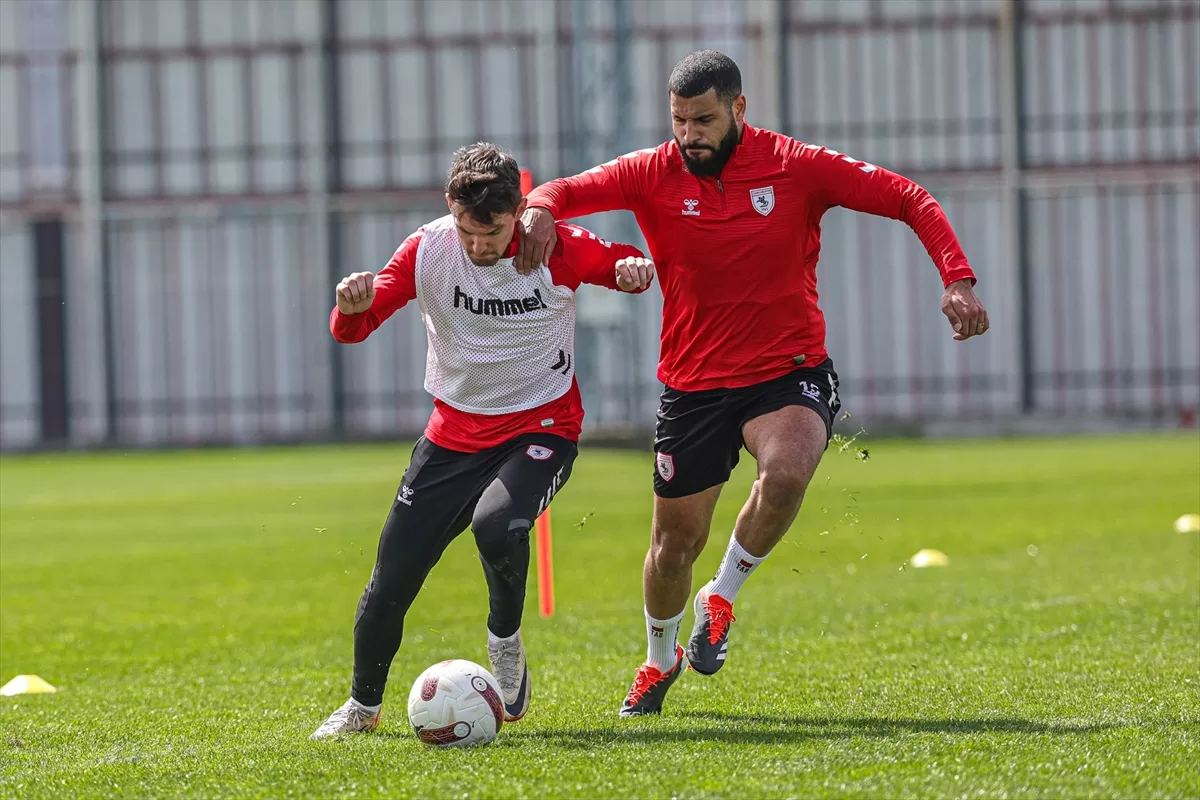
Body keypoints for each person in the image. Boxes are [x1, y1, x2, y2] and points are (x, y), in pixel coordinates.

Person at [516, 50, 989, 717]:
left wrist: (957, 278)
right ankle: (658, 659)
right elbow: (561, 191)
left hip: (788, 372)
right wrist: (538, 208)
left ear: (739, 109)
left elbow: (910, 198)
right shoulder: (651, 170)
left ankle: (723, 595)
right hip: (693, 384)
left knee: (788, 472)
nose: (689, 135)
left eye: (703, 119)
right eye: (679, 120)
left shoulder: (796, 166)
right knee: (672, 547)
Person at [310, 142, 655, 739]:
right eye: (469, 231)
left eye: (492, 233)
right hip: (451, 437)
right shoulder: (427, 250)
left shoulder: (552, 245)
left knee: (497, 525)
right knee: (390, 582)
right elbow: (355, 329)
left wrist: (632, 272)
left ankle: (504, 641)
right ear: (450, 207)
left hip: (540, 428)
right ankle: (362, 708)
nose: (479, 246)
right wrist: (347, 308)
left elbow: (624, 264)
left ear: (518, 211)